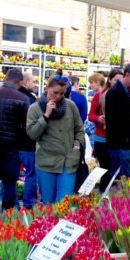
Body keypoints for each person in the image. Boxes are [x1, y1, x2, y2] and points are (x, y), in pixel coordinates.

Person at [26, 69, 85, 204]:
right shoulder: (35, 108)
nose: (58, 97)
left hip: (68, 161)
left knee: (64, 204)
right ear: (47, 88)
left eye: (62, 93)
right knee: (48, 204)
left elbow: (80, 130)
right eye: (55, 92)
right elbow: (32, 134)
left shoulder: (70, 106)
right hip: (46, 162)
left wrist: (76, 146)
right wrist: (46, 116)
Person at [0, 69, 28, 210]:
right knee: (10, 184)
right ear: (19, 82)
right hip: (11, 148)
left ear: (5, 78)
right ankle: (8, 217)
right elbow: (26, 125)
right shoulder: (22, 99)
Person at [105, 63, 130, 179]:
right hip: (120, 145)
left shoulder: (125, 91)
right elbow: (122, 118)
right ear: (127, 74)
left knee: (125, 182)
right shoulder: (116, 92)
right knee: (123, 184)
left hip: (125, 144)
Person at [17, 72, 38, 209]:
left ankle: (5, 201)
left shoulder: (16, 95)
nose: (35, 84)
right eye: (33, 81)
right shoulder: (29, 99)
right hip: (27, 143)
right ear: (25, 82)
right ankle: (28, 204)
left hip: (13, 143)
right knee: (31, 173)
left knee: (10, 175)